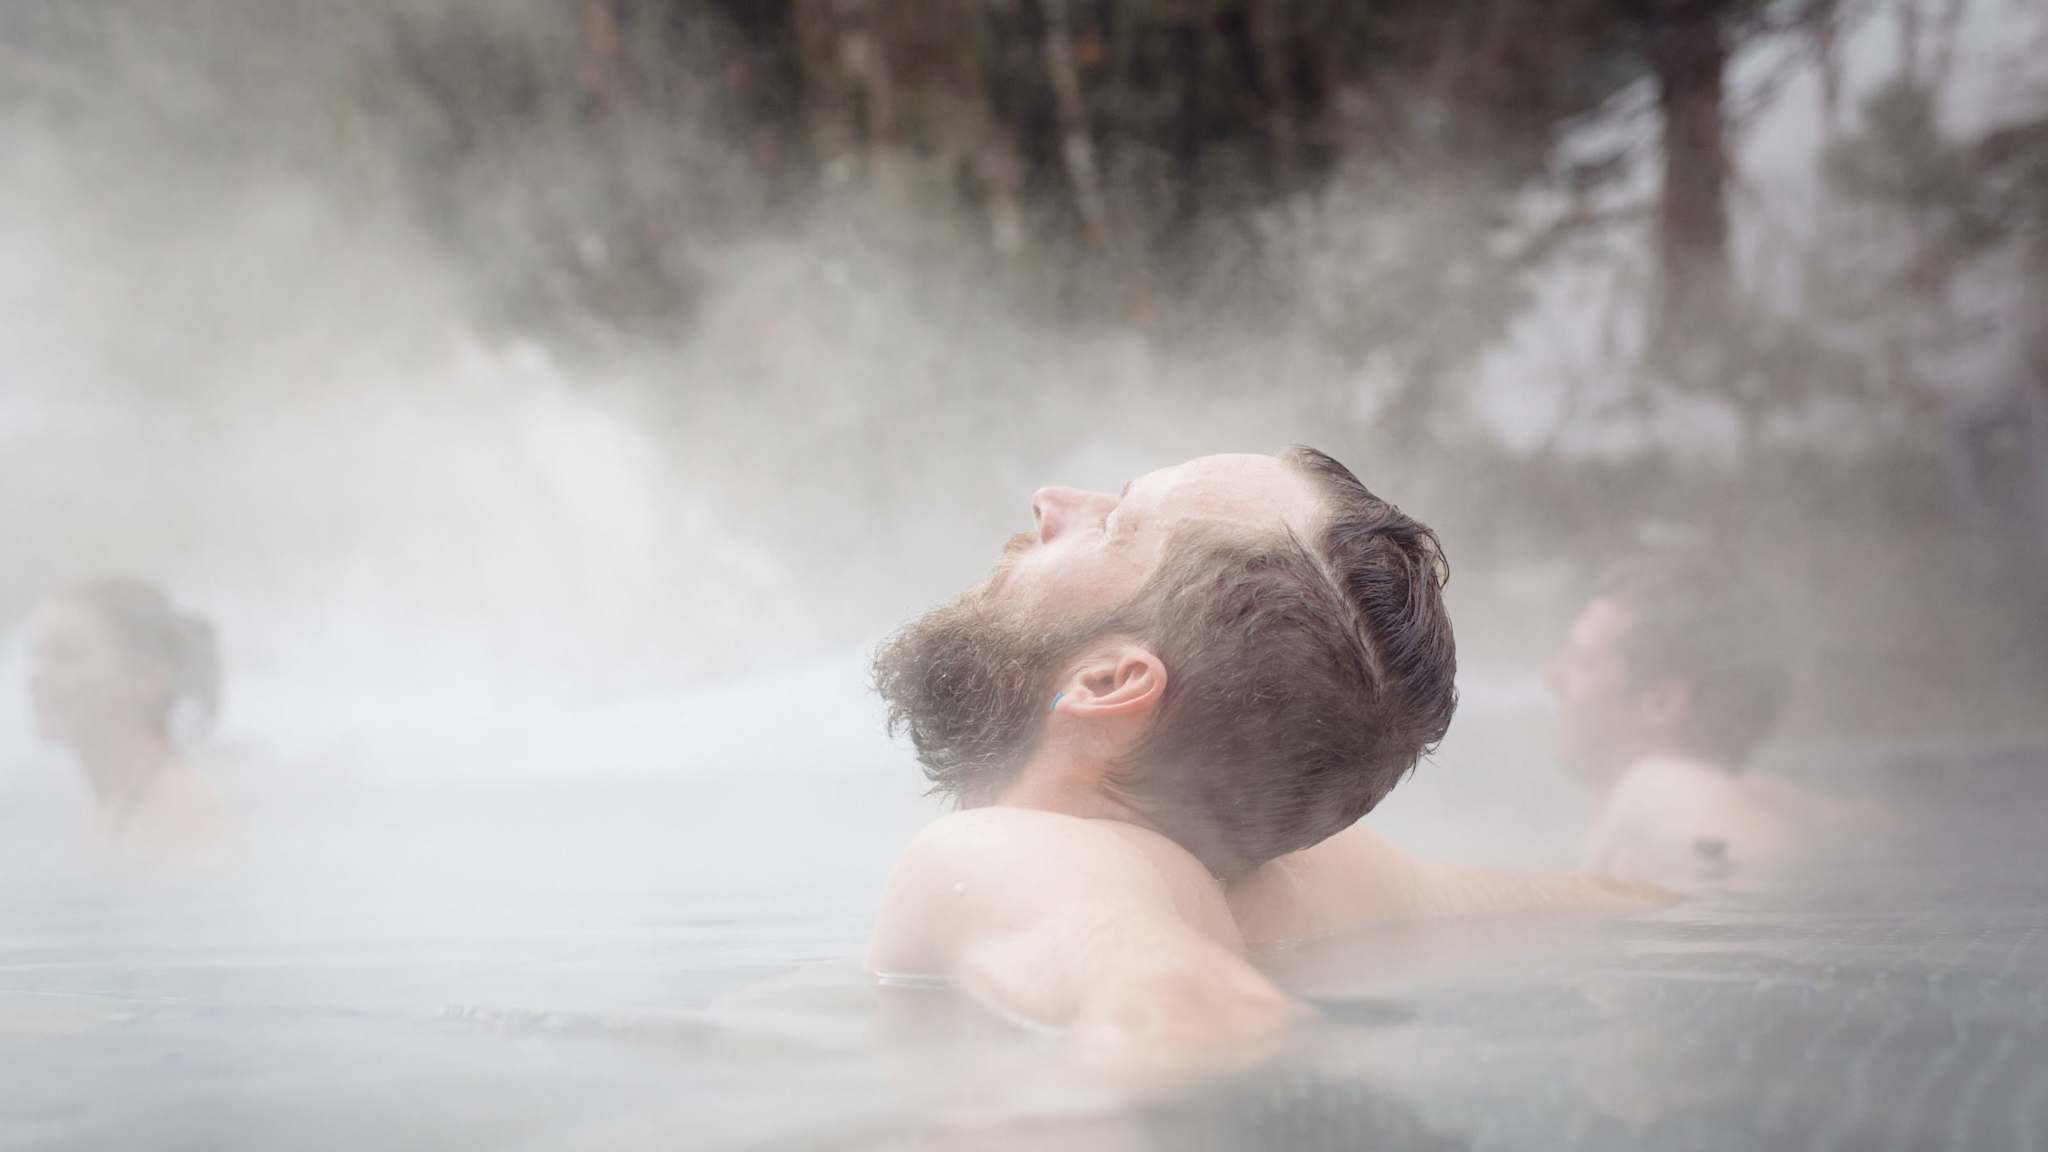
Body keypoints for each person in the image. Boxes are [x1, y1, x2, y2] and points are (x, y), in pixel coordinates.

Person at [868, 449, 1660, 1068]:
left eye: (1116, 529)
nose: (1053, 501)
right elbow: (1620, 899)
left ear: (1108, 682)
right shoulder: (1320, 884)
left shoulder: (998, 857)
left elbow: (1193, 1013)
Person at [1546, 550, 1804, 887]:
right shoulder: (1750, 796)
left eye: (1582, 660)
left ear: (1660, 703)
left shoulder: (1658, 782)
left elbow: (1753, 853)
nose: (1551, 677)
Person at [24, 577, 225, 861]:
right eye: (37, 654)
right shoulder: (115, 805)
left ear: (150, 677)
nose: (36, 677)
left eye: (65, 655)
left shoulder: (181, 822)